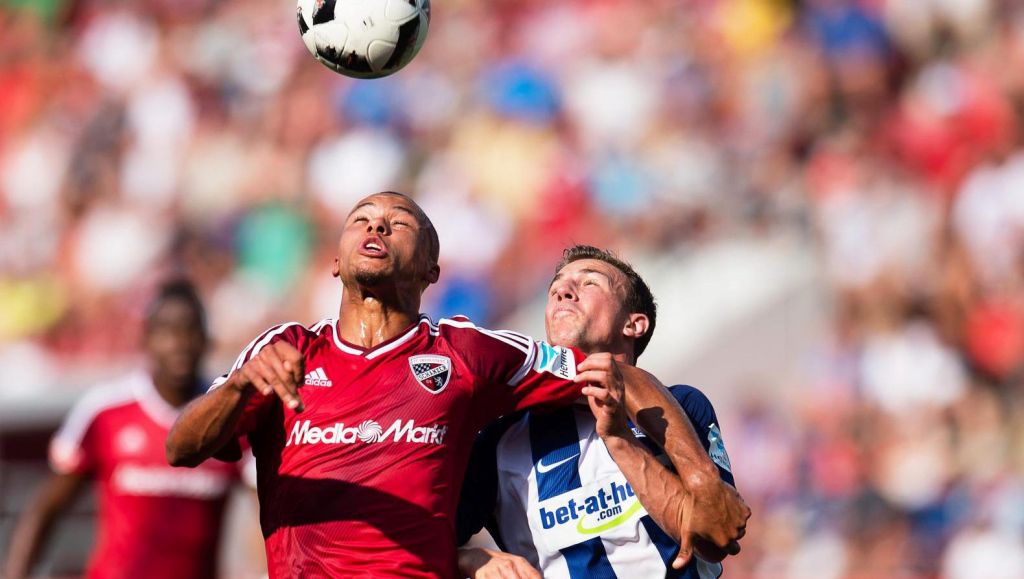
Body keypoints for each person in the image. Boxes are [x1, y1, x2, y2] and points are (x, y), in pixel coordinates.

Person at [165, 192, 749, 578]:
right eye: (361, 219)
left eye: (399, 223)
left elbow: (623, 381)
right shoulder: (284, 350)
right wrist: (240, 386)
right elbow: (181, 447)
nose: (376, 226)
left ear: (430, 269)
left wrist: (653, 456)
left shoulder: (467, 355)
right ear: (335, 261)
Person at [456, 245, 745, 579]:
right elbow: (420, 548)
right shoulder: (499, 440)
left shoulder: (680, 407)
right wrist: (473, 560)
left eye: (590, 282)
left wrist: (620, 440)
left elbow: (714, 540)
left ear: (633, 324)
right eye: (556, 288)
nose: (563, 292)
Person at [3, 280, 245, 579]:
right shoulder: (106, 412)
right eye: (167, 331)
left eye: (190, 330)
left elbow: (273, 504)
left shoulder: (231, 416)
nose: (180, 342)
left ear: (207, 340)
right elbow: (46, 508)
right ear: (146, 339)